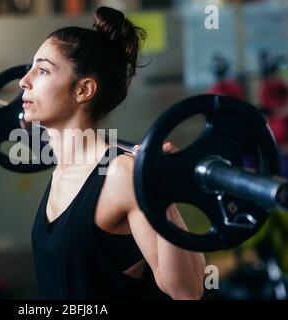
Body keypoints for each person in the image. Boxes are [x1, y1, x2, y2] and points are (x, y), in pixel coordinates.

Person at [18, 6, 206, 300]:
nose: (23, 81)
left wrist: (162, 195)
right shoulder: (62, 170)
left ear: (83, 90)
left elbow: (187, 290)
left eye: (42, 70)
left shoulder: (120, 174)